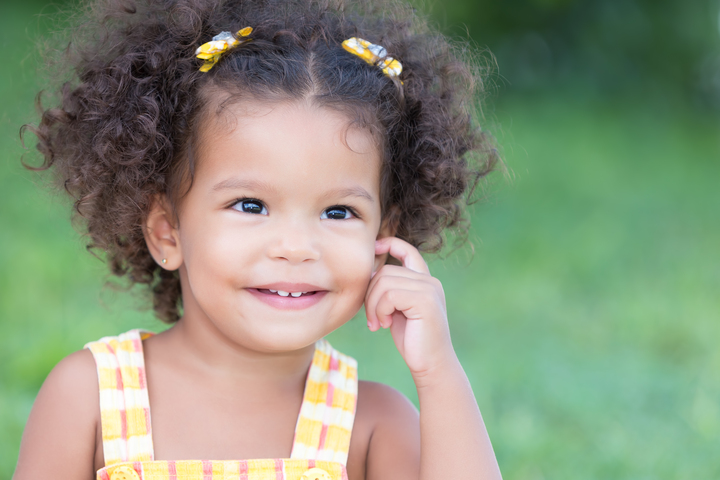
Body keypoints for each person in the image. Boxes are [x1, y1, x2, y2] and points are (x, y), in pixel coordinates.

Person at [14, 0, 501, 478]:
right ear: (167, 231)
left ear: (382, 238)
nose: (295, 246)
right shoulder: (90, 396)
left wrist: (438, 374)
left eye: (338, 211)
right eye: (251, 206)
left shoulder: (373, 424)